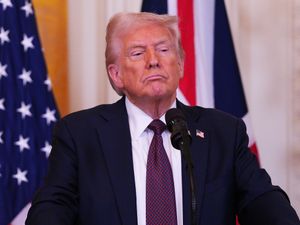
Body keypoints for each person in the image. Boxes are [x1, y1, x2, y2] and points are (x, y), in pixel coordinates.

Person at [26, 12, 300, 225]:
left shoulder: (223, 132)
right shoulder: (80, 134)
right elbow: (52, 208)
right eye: (137, 52)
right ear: (116, 74)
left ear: (180, 64)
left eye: (164, 49)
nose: (153, 60)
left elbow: (262, 200)